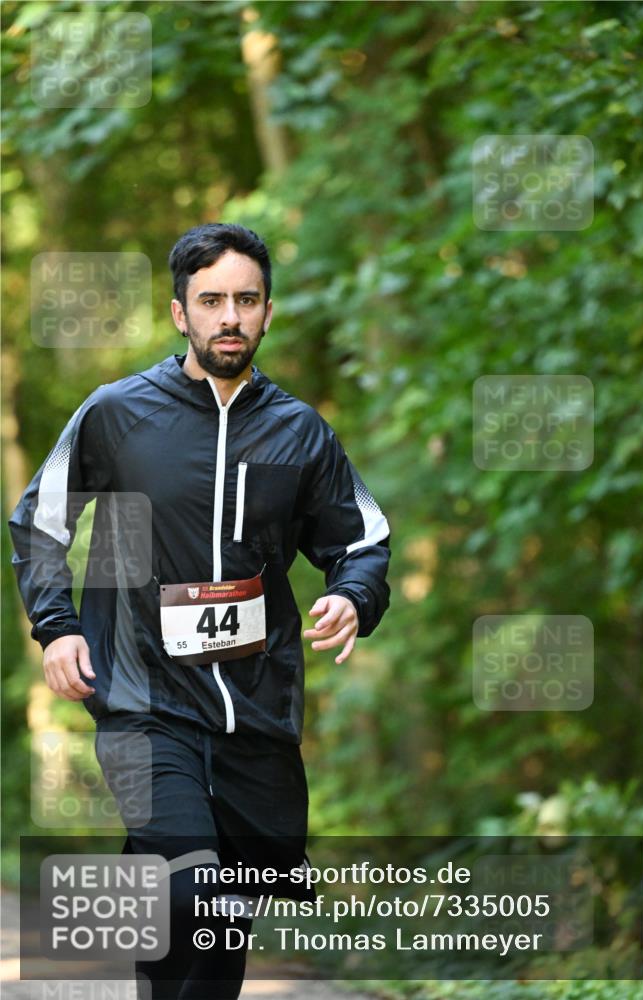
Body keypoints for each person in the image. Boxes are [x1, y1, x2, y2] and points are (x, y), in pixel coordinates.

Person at [9, 223, 391, 999]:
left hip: (255, 710)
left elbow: (362, 540)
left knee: (219, 925)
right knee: (197, 891)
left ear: (268, 313)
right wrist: (56, 627)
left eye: (245, 301)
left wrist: (352, 597)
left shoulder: (299, 432)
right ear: (179, 312)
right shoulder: (118, 415)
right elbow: (40, 522)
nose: (229, 317)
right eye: (210, 300)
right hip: (142, 700)